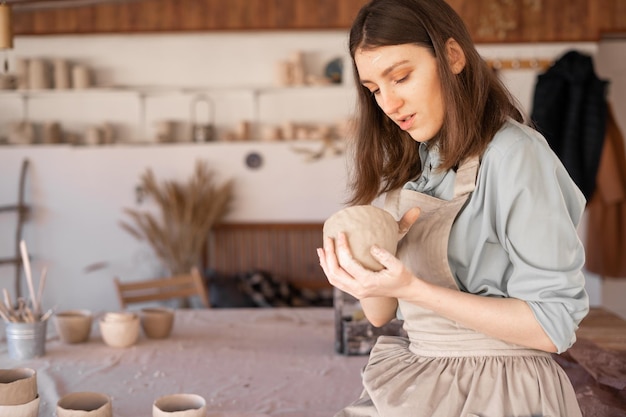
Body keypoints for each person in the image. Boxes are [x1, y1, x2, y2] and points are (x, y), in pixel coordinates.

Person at [316, 0, 589, 416]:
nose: (388, 104)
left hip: (503, 389)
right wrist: (361, 277)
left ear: (453, 57)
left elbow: (553, 327)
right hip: (423, 376)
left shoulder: (515, 155)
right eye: (374, 89)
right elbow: (381, 314)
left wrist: (416, 290)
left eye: (401, 77)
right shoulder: (409, 169)